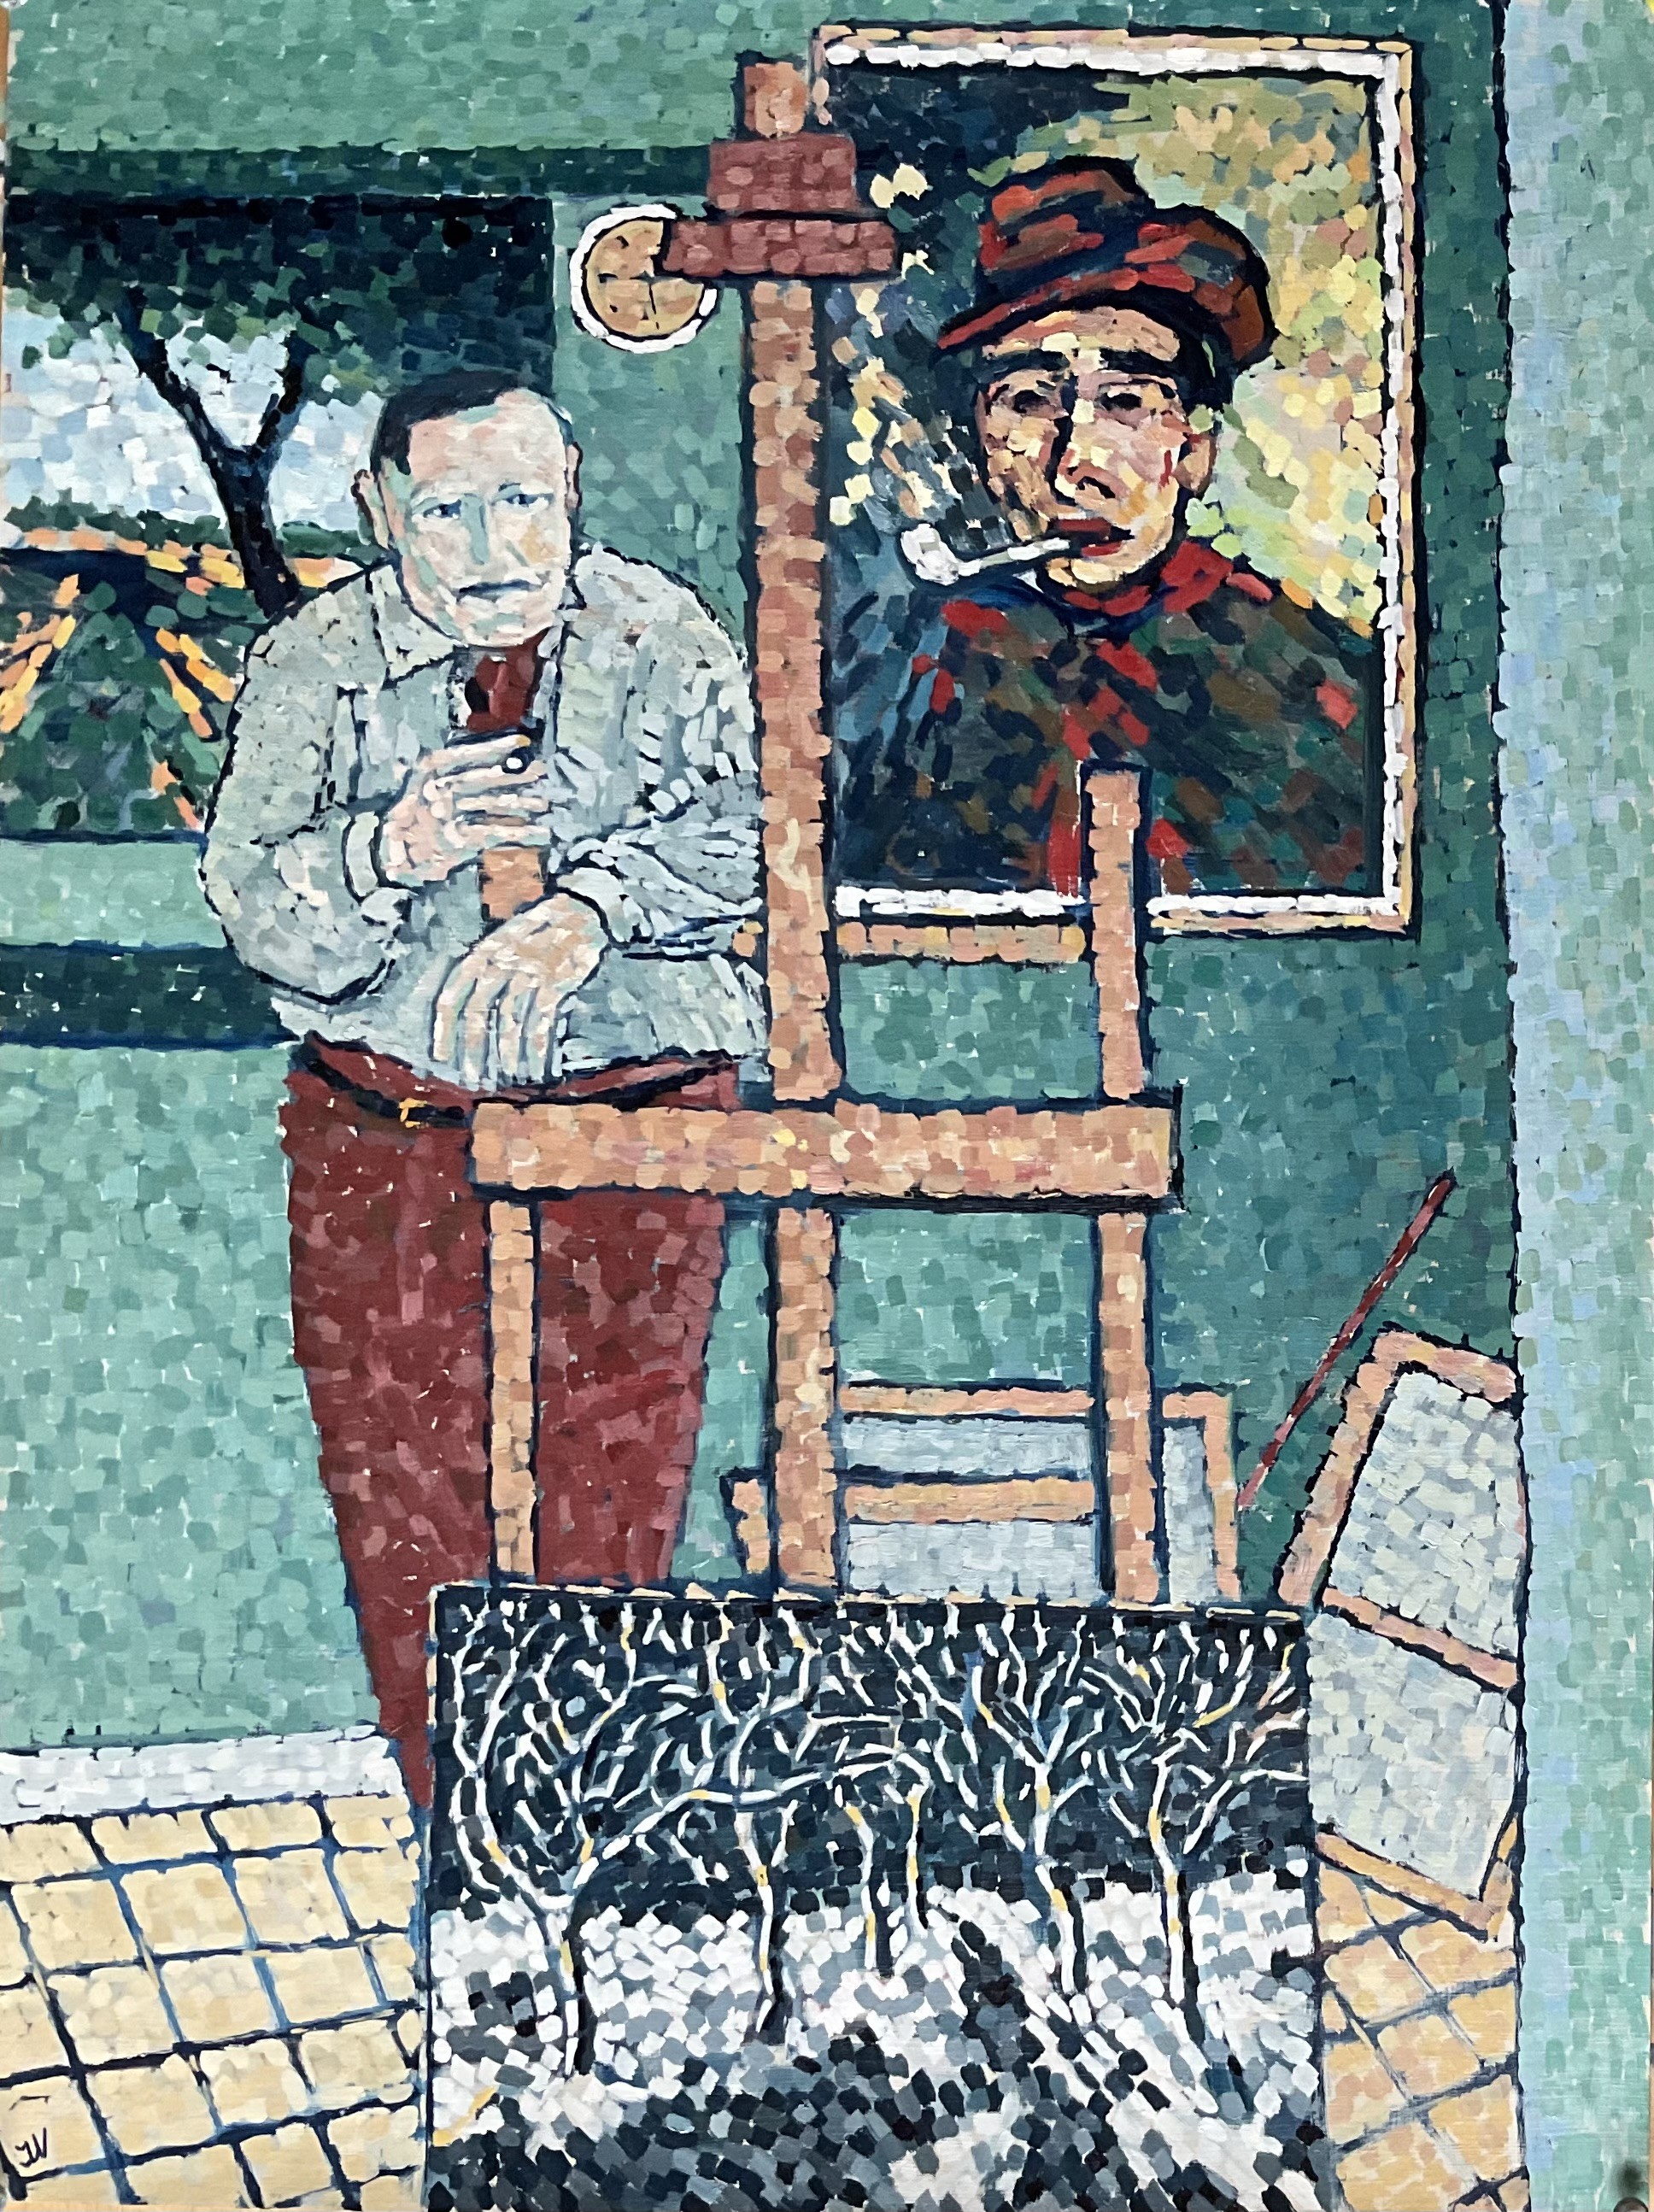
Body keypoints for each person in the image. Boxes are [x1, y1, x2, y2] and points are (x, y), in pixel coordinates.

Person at [203, 369, 762, 1799]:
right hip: (388, 1129)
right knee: (407, 1488)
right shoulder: (314, 665)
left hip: (638, 1122)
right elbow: (253, 905)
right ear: (381, 510)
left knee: (613, 1474)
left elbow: (756, 834)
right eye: (449, 509)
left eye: (523, 499)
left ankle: (590, 1813)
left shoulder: (662, 633)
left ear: (570, 489)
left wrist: (592, 908)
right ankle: (458, 1817)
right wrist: (388, 850)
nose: (495, 544)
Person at [835, 156, 1379, 902]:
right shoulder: (915, 664)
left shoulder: (1312, 682)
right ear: (983, 440)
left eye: (1124, 402)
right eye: (1029, 401)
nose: (1073, 465)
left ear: (1194, 449)